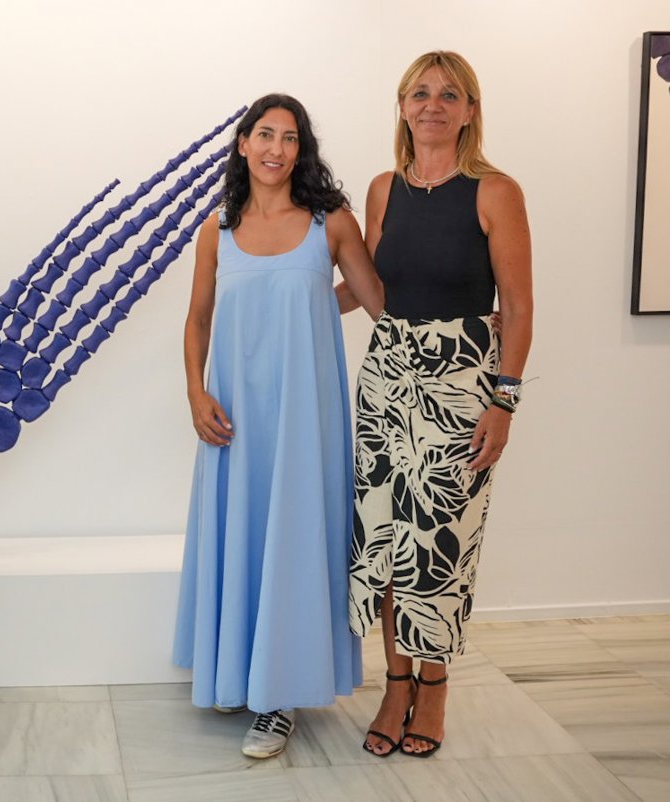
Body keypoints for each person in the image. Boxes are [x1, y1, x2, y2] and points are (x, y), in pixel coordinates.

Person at [173, 94, 384, 759]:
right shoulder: (217, 229)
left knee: (293, 536)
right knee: (243, 531)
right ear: (243, 144)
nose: (276, 148)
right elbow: (198, 319)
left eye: (290, 138)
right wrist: (195, 392)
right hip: (235, 417)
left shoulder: (332, 224)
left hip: (305, 416)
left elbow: (379, 302)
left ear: (302, 150)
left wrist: (464, 323)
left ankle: (280, 699)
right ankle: (240, 673)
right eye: (265, 134)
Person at [348, 51, 533, 759]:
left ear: (470, 110)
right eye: (420, 93)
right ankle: (394, 683)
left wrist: (504, 401)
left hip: (461, 387)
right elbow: (369, 286)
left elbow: (518, 305)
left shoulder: (495, 191)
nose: (433, 105)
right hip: (386, 380)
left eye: (449, 95)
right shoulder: (383, 189)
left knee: (441, 541)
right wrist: (284, 299)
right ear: (402, 106)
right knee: (386, 539)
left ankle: (434, 684)